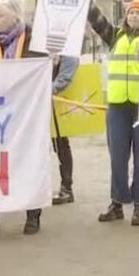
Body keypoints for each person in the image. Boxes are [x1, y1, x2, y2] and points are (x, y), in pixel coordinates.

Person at [0, 0, 46, 235]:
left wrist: (50, 64)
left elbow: (42, 70)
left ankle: (32, 215)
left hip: (26, 114)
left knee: (27, 161)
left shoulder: (33, 39)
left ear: (15, 17)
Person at [87, 0, 139, 226]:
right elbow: (96, 21)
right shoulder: (114, 35)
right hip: (117, 106)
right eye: (131, 12)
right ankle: (116, 203)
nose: (134, 16)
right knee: (118, 157)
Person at [51, 55, 80, 205]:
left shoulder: (68, 50)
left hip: (54, 103)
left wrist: (48, 89)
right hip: (44, 100)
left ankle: (66, 188)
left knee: (60, 145)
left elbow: (66, 75)